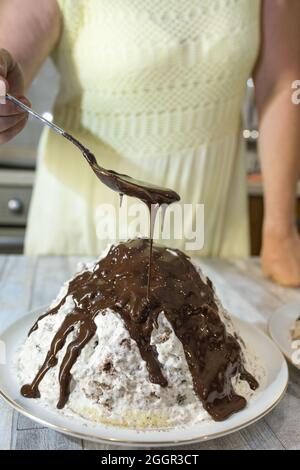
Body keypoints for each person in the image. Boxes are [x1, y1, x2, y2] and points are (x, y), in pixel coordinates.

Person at [0, 0, 300, 287]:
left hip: (208, 228)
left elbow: (282, 81)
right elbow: (13, 53)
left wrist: (280, 230)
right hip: (81, 237)